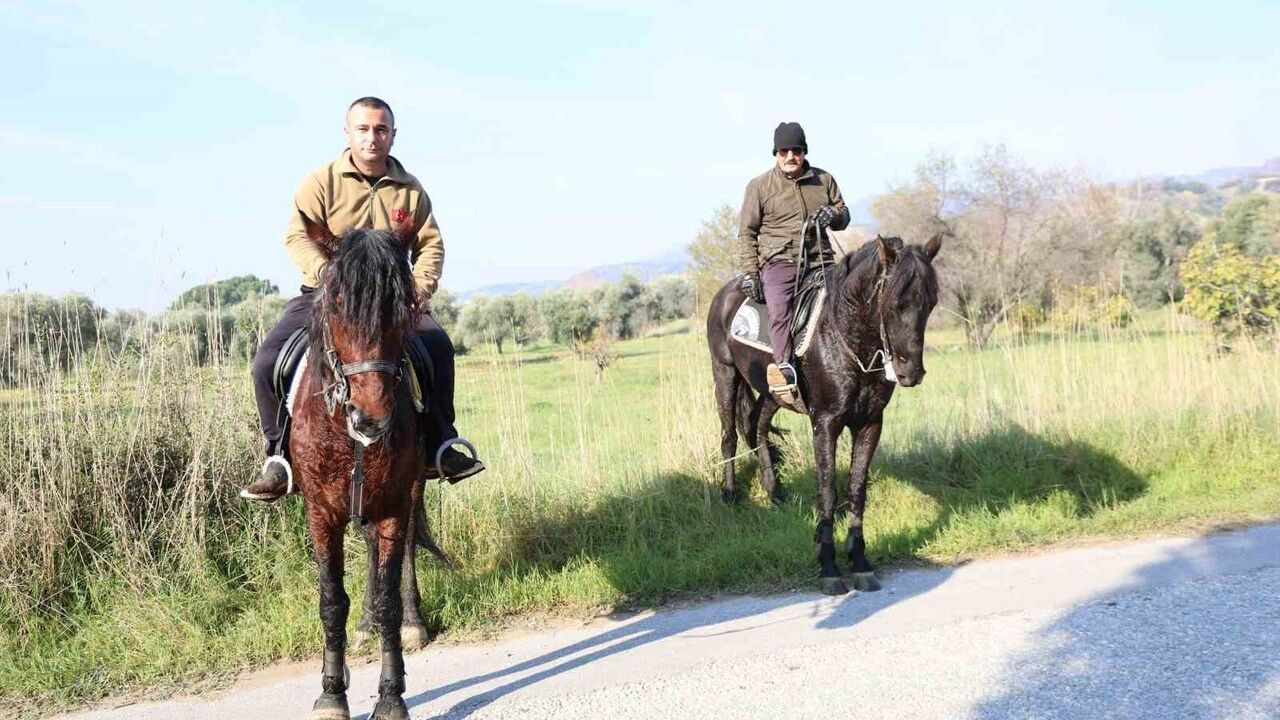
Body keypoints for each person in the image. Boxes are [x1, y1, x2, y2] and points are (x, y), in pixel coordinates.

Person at [240, 96, 483, 502]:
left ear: (392, 134)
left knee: (438, 346)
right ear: (348, 132)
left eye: (381, 129)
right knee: (267, 361)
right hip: (325, 296)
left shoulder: (410, 190)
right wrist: (330, 279)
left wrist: (419, 290)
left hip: (391, 302)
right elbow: (297, 235)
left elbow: (430, 245)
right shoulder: (321, 182)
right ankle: (278, 457)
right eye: (364, 129)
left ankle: (441, 443)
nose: (373, 137)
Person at [737, 122, 850, 408]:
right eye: (784, 151)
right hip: (780, 262)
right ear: (776, 153)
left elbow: (843, 214)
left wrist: (832, 216)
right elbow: (747, 233)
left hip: (822, 260)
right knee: (780, 309)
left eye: (796, 150)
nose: (790, 156)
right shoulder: (759, 186)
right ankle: (784, 368)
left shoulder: (823, 180)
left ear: (804, 152)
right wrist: (751, 273)